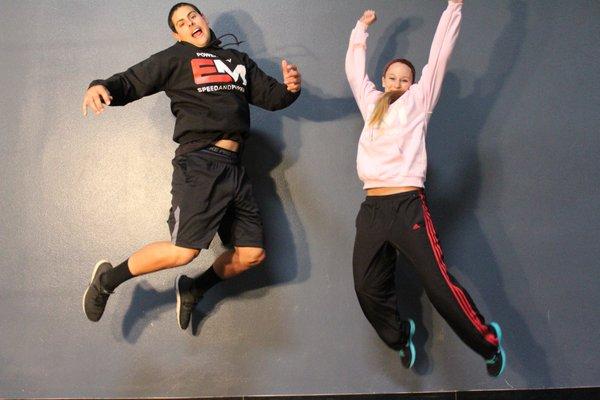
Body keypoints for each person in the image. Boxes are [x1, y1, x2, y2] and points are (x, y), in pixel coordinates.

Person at [82, 2, 301, 331]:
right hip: (200, 163)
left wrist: (291, 89)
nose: (190, 23)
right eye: (181, 23)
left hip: (234, 167)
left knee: (252, 254)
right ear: (177, 35)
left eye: (193, 17)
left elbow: (273, 97)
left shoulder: (237, 61)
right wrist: (101, 85)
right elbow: (132, 81)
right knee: (183, 252)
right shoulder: (175, 58)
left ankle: (194, 289)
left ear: (203, 19)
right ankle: (106, 281)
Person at [345, 0, 505, 376]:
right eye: (392, 78)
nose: (398, 83)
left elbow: (439, 55)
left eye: (405, 79)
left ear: (413, 84)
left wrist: (453, 9)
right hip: (372, 209)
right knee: (366, 287)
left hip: (407, 205)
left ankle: (488, 343)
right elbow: (354, 71)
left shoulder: (420, 101)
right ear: (384, 81)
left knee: (437, 285)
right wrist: (361, 30)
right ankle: (401, 337)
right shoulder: (371, 103)